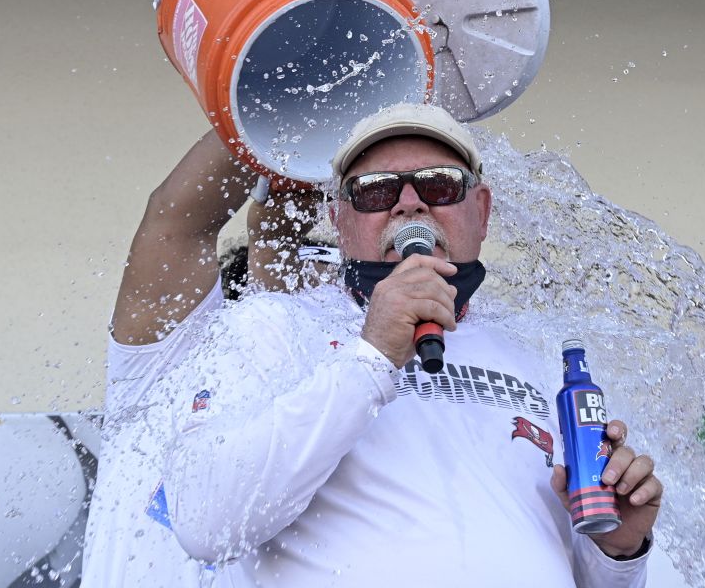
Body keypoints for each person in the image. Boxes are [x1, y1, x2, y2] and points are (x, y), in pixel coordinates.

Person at [161, 103, 664, 586]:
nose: (410, 202)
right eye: (377, 191)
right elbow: (205, 521)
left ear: (482, 211)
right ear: (339, 220)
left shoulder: (538, 356)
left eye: (439, 185)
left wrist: (616, 552)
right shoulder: (271, 326)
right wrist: (372, 356)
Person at [82, 129, 334, 587]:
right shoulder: (174, 358)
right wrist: (293, 114)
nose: (329, 286)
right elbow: (176, 221)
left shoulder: (344, 403)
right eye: (316, 259)